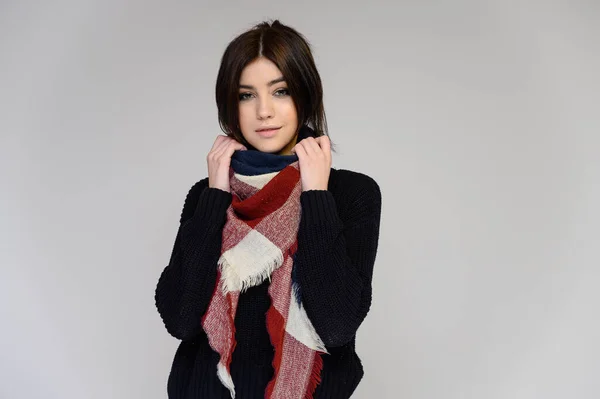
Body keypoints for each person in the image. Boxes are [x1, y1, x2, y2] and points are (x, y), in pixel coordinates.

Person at [155, 19, 382, 399]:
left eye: (280, 91)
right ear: (230, 104)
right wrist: (214, 198)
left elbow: (337, 325)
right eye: (246, 95)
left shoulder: (350, 193)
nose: (263, 111)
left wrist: (316, 196)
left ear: (305, 96)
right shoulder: (206, 196)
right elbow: (180, 318)